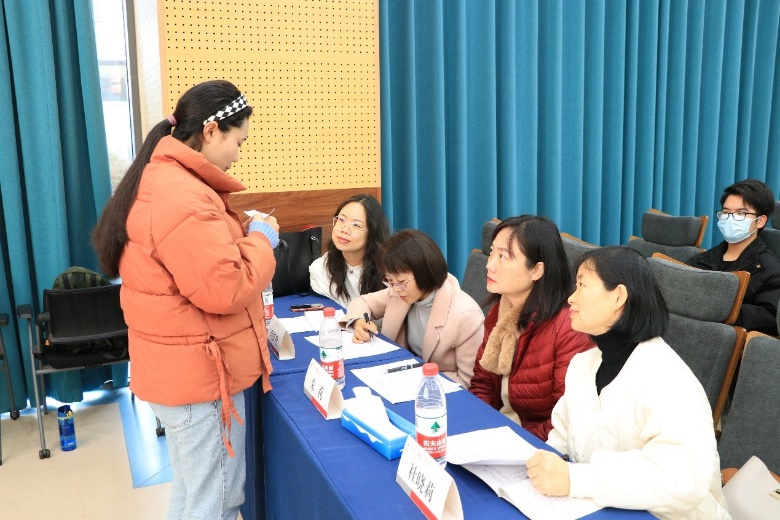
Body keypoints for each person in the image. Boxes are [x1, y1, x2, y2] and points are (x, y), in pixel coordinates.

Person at [92, 80, 278, 520]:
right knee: (215, 502)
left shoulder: (163, 180)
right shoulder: (184, 196)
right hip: (201, 380)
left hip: (178, 370)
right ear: (211, 131)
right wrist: (260, 241)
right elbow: (225, 289)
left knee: (194, 495)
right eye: (238, 141)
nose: (238, 154)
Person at [527, 246, 729, 519]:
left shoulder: (668, 379)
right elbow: (561, 440)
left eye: (582, 285)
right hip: (601, 509)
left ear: (618, 296)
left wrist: (577, 479)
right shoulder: (582, 365)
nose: (571, 298)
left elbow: (682, 481)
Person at [468, 215, 594, 440]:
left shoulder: (569, 326)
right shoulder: (501, 309)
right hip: (500, 429)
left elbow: (564, 419)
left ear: (537, 270)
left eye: (503, 257)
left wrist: (512, 440)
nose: (490, 265)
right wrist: (479, 426)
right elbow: (482, 384)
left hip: (540, 443)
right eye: (492, 253)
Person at [346, 229, 484, 387]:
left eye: (401, 281)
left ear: (424, 271)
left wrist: (416, 377)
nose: (396, 289)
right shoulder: (401, 291)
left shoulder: (466, 315)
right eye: (390, 281)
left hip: (438, 390)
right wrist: (359, 321)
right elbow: (362, 302)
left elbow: (469, 382)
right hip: (402, 376)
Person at [688, 179, 780, 335]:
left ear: (760, 221)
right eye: (726, 212)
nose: (730, 218)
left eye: (740, 213)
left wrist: (717, 309)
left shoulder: (771, 271)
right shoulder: (702, 259)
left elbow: (770, 317)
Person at [309, 194, 390, 308]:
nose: (345, 229)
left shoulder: (390, 270)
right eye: (341, 220)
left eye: (356, 225)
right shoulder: (321, 269)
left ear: (372, 232)